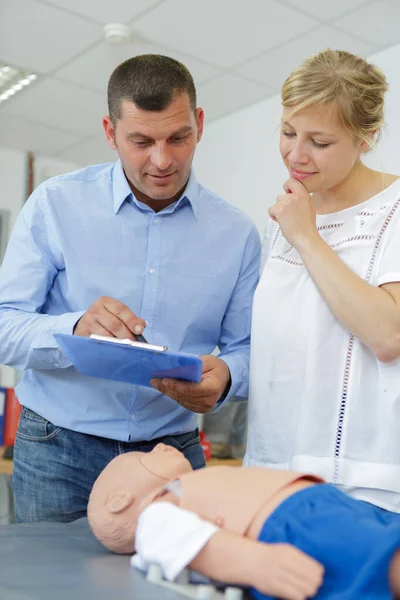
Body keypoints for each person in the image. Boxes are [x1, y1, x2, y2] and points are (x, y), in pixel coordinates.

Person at [0, 54, 261, 523]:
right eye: (141, 141)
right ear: (109, 131)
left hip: (172, 454)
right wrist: (74, 327)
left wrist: (226, 378)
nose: (162, 161)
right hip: (58, 448)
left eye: (178, 138)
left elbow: (249, 349)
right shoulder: (55, 205)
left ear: (199, 124)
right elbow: (4, 324)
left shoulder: (237, 234)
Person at [245, 48, 400, 512]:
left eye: (320, 141)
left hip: (363, 481)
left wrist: (307, 237)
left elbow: (388, 334)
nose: (296, 154)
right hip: (274, 471)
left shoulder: (393, 209)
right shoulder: (288, 215)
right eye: (289, 132)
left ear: (366, 137)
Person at [87, 443, 400, 599]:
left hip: (322, 505)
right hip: (295, 526)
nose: (159, 446)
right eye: (143, 457)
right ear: (120, 501)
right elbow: (187, 543)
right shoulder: (157, 516)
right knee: (383, 559)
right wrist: (255, 563)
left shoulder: (196, 488)